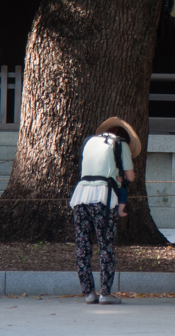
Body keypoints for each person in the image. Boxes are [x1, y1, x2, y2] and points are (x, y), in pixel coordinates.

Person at [70, 117, 139, 305]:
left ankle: (88, 292)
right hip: (103, 198)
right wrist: (121, 175)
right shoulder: (120, 144)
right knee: (105, 245)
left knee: (83, 246)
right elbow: (130, 176)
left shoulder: (89, 142)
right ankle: (105, 293)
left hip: (81, 196)